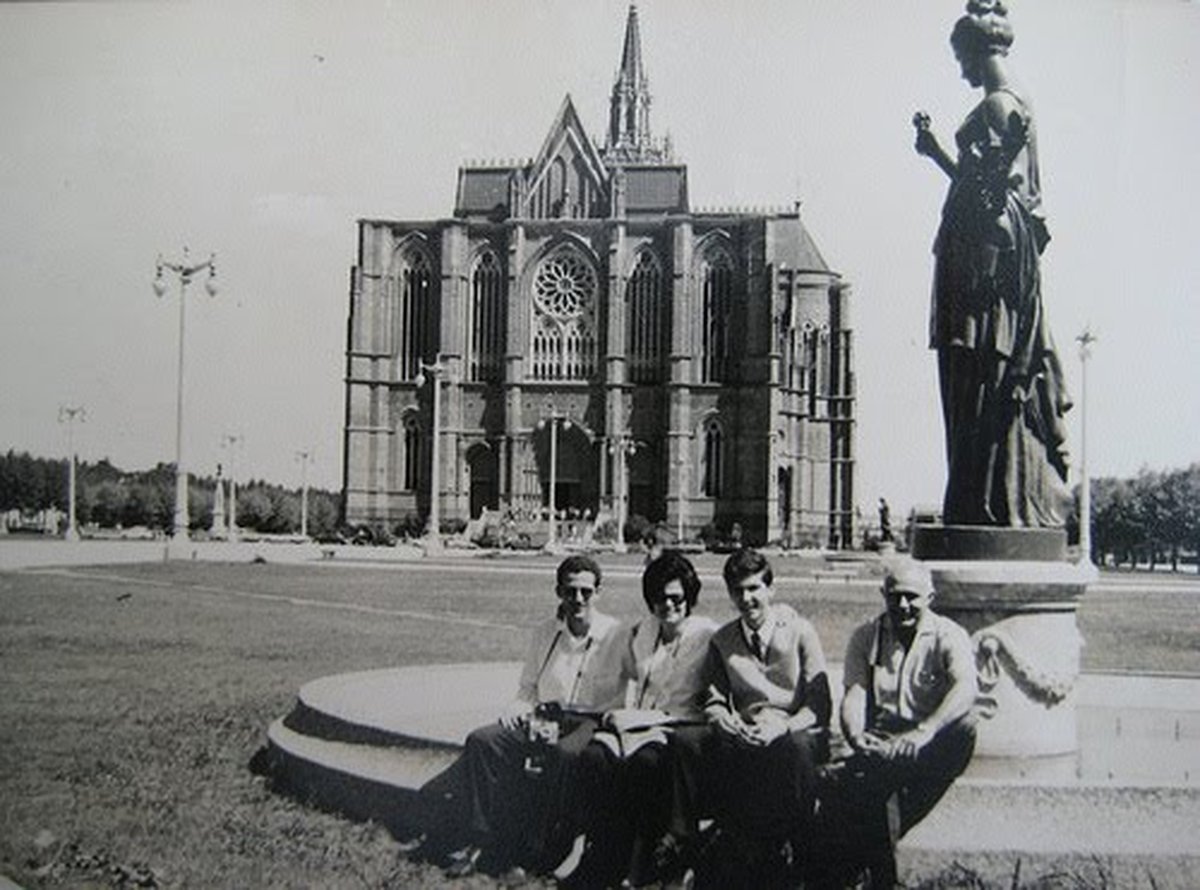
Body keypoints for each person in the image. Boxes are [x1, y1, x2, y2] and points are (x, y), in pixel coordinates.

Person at [915, 0, 1071, 527]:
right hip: (980, 260)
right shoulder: (1008, 103)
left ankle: (980, 505)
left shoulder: (1001, 106)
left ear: (976, 51)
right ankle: (975, 501)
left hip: (980, 273)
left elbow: (997, 199)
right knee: (972, 390)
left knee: (975, 387)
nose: (961, 70)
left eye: (961, 58)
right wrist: (937, 152)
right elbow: (984, 183)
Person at [418, 554, 626, 879]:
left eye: (586, 591)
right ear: (558, 592)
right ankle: (479, 841)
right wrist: (517, 710)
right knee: (483, 740)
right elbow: (528, 687)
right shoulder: (546, 633)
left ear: (598, 592)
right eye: (570, 591)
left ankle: (537, 854)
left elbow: (629, 690)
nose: (578, 599)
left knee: (564, 755)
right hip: (546, 716)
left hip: (590, 720)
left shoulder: (616, 635)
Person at [564, 550, 718, 888]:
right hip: (640, 723)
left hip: (679, 726)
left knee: (646, 763)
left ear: (689, 597)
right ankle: (600, 851)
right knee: (594, 757)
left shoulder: (706, 636)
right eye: (660, 598)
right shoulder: (644, 632)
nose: (668, 605)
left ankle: (641, 861)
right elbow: (615, 672)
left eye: (676, 598)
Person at [683, 548, 832, 886]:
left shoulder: (800, 631)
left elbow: (819, 704)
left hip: (794, 728)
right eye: (738, 590)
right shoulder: (723, 640)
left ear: (770, 589)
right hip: (748, 730)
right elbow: (714, 699)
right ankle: (708, 850)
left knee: (795, 749)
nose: (747, 598)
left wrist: (784, 727)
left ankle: (805, 855)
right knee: (698, 743)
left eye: (754, 588)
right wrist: (724, 719)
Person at [826, 557, 977, 889]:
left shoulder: (948, 634)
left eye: (912, 596)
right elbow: (854, 694)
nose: (903, 605)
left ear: (930, 598)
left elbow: (966, 687)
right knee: (873, 782)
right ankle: (882, 879)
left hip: (932, 739)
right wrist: (855, 735)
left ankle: (856, 867)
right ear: (884, 595)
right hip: (887, 738)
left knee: (965, 726)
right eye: (895, 596)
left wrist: (926, 730)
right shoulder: (866, 636)